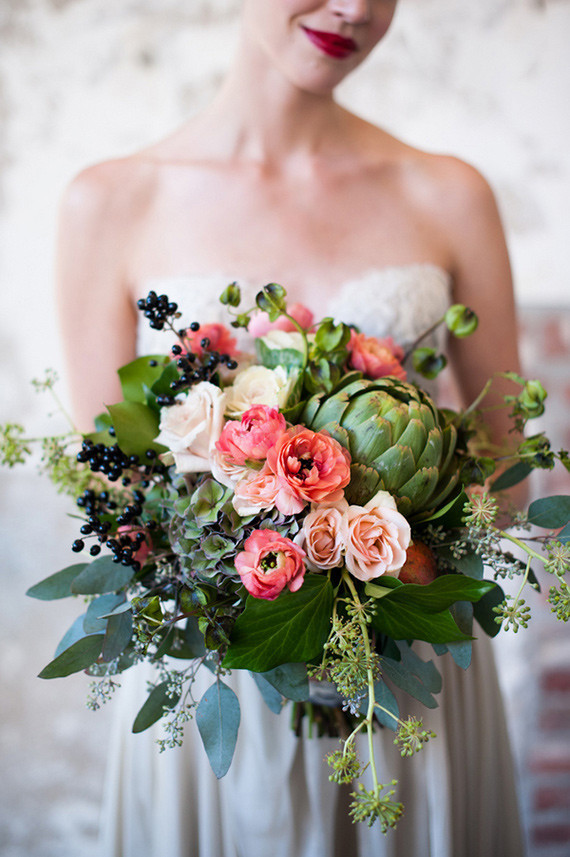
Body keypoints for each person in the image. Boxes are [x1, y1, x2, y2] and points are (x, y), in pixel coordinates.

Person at [56, 2, 524, 855]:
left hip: (406, 687)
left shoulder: (450, 192)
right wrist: (255, 553)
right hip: (214, 684)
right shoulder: (110, 202)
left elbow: (509, 470)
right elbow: (116, 496)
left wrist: (364, 548)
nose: (354, 9)